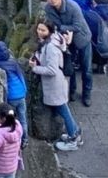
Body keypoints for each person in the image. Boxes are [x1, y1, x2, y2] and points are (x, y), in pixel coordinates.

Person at [30, 22, 82, 152]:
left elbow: (52, 70)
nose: (39, 32)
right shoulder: (51, 42)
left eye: (43, 30)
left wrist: (35, 68)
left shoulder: (51, 47)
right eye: (38, 29)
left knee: (63, 110)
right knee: (63, 109)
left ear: (50, 30)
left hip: (55, 84)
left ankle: (73, 138)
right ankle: (75, 132)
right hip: (56, 83)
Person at [43, 0, 93, 107]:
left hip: (82, 39)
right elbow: (52, 25)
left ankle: (87, 94)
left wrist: (62, 29)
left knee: (86, 69)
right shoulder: (48, 9)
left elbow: (78, 26)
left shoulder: (73, 7)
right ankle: (72, 91)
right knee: (69, 68)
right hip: (66, 41)